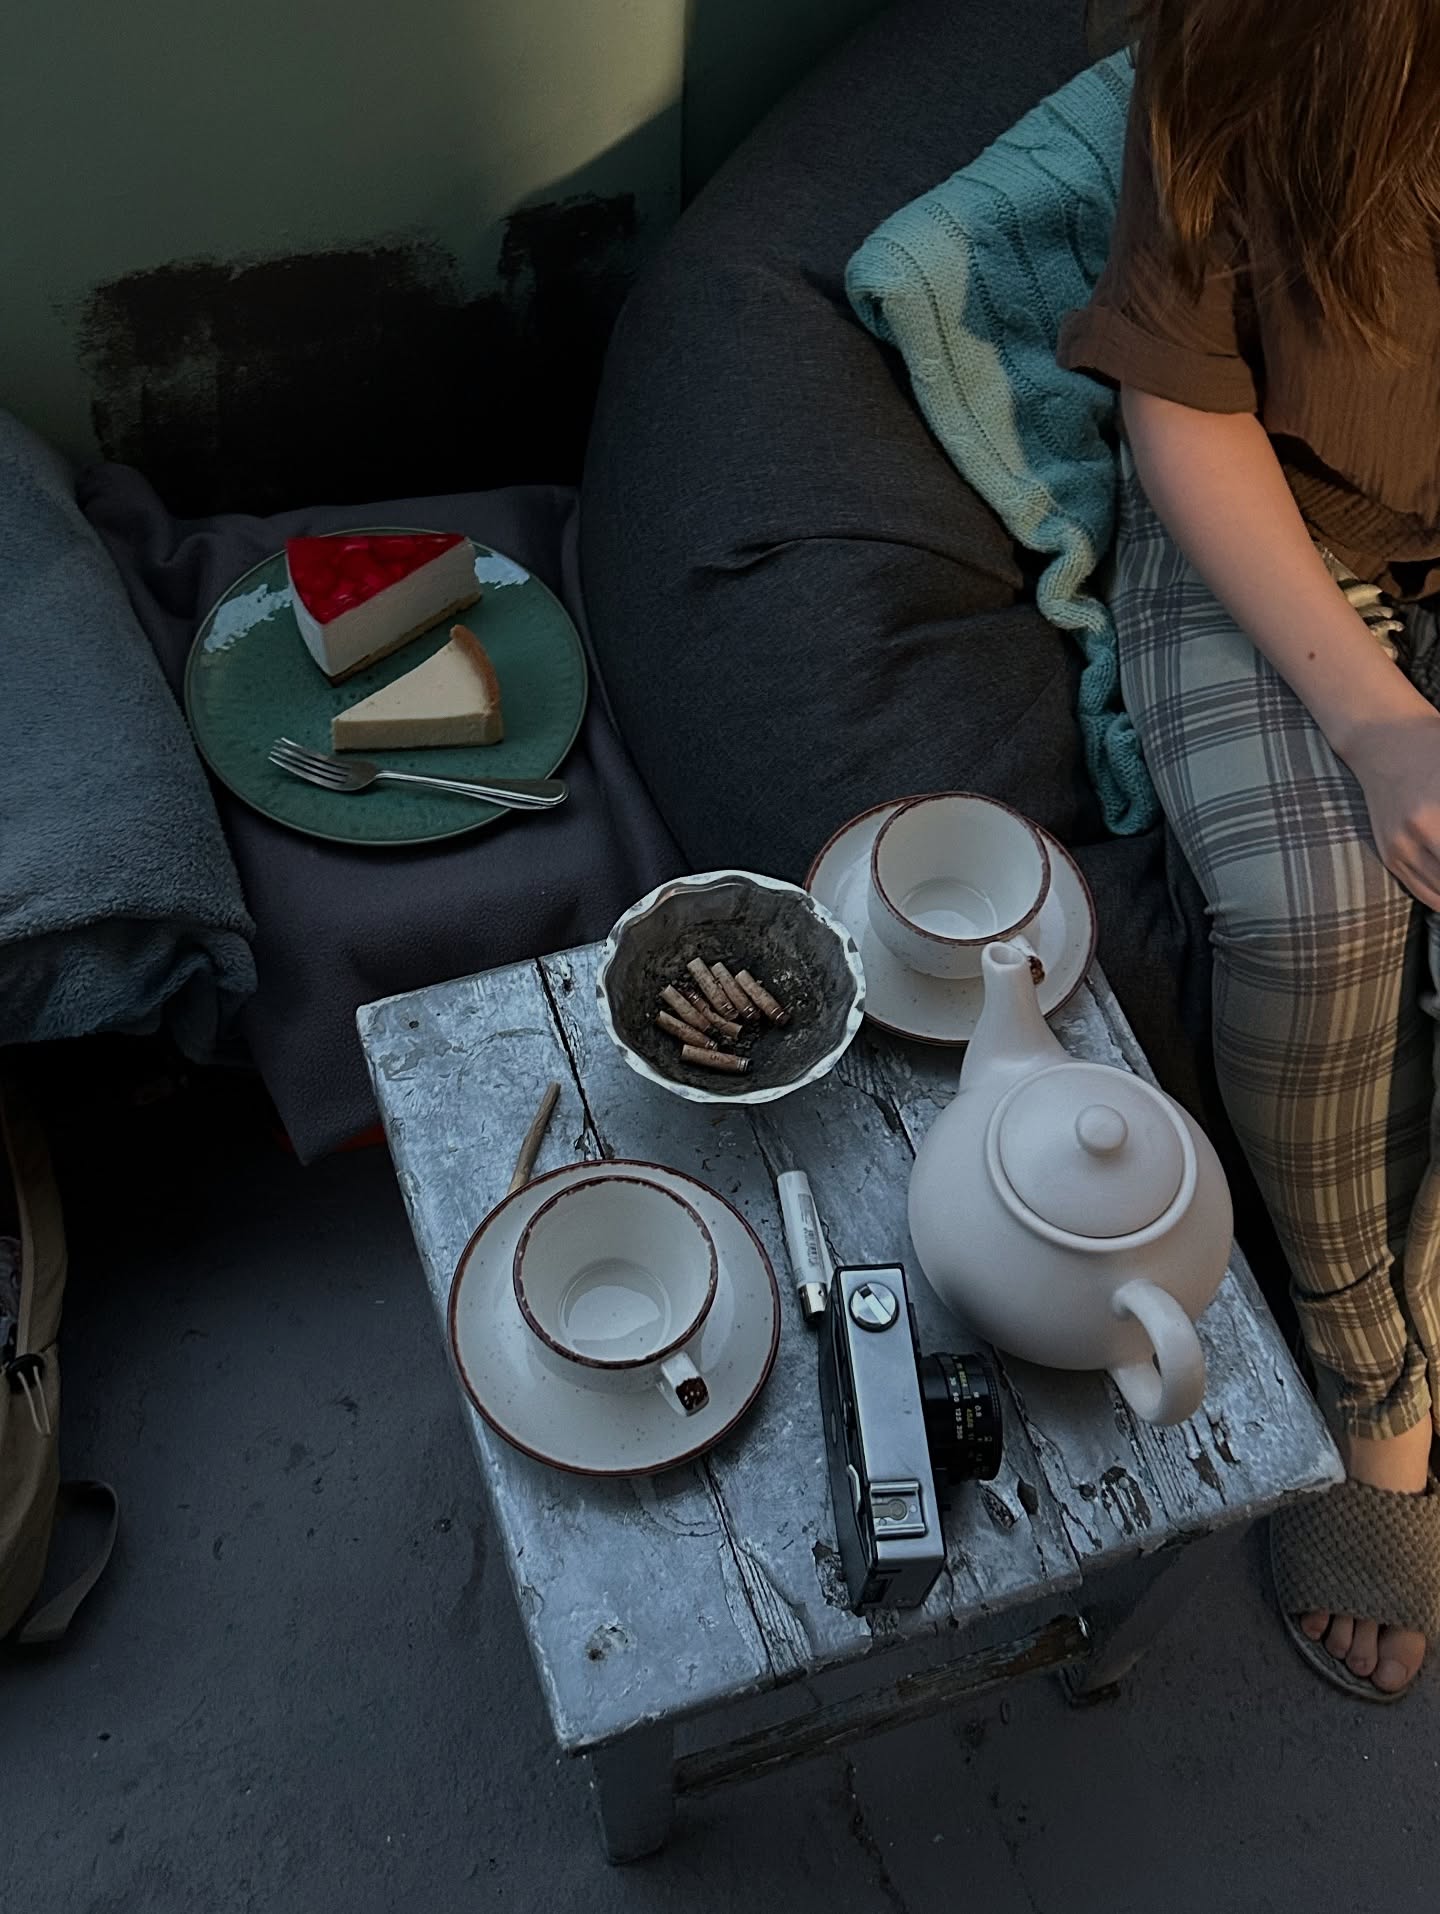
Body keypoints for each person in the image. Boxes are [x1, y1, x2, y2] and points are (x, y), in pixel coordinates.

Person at [1059, 0, 1440, 1700]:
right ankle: (1376, 1395)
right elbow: (1185, 410)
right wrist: (1375, 722)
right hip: (1273, 511)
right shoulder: (1251, 36)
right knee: (1319, 915)